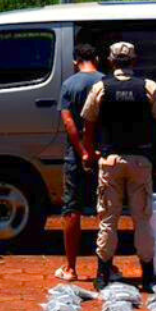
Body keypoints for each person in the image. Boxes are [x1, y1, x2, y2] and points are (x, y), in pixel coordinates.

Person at [79, 40, 156, 288]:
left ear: (110, 61)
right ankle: (148, 277)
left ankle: (102, 276)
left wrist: (89, 154)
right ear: (134, 61)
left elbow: (88, 125)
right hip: (141, 161)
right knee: (142, 219)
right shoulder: (149, 87)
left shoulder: (100, 88)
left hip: (109, 160)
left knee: (108, 219)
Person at [55, 42, 105, 281]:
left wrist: (82, 150)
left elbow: (68, 123)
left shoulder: (68, 84)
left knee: (72, 209)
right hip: (103, 155)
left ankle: (71, 268)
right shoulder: (105, 82)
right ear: (96, 57)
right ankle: (106, 267)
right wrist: (94, 150)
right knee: (104, 209)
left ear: (76, 61)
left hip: (75, 157)